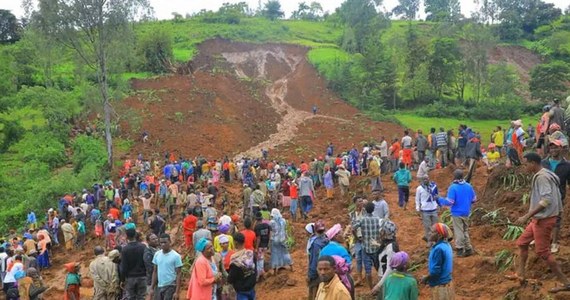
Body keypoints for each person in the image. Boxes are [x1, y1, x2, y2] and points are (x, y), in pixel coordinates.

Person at [508, 152, 570, 293]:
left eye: (526, 164)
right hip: (540, 218)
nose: (524, 167)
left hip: (544, 219)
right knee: (522, 243)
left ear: (533, 163)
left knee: (543, 252)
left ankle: (566, 282)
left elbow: (546, 200)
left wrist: (526, 216)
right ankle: (520, 274)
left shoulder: (542, 177)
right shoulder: (546, 173)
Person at [438, 169, 476, 257]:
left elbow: (450, 202)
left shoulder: (453, 187)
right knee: (465, 230)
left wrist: (439, 199)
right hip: (466, 211)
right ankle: (468, 248)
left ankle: (459, 249)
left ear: (454, 177)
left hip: (457, 212)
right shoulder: (468, 186)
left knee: (459, 231)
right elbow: (474, 199)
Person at [541, 139, 570, 254]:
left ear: (561, 148)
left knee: (556, 219)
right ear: (549, 149)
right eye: (552, 147)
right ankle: (542, 239)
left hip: (559, 196)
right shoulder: (543, 163)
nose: (553, 150)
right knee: (542, 217)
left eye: (556, 147)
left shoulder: (567, 165)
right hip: (544, 195)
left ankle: (554, 242)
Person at [420, 223, 454, 300]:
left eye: (432, 232)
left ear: (439, 235)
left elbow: (435, 271)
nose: (429, 233)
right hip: (447, 282)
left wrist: (426, 278)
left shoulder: (438, 249)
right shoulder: (446, 245)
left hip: (440, 284)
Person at [353, 202, 382, 290]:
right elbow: (382, 230)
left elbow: (353, 228)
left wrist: (357, 237)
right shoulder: (377, 219)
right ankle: (381, 284)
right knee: (379, 267)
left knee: (368, 270)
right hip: (376, 247)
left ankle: (371, 288)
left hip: (366, 247)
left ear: (365, 209)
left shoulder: (362, 219)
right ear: (373, 210)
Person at [150, 234, 183, 300]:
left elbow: (179, 274)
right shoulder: (157, 254)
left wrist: (177, 292)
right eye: (161, 242)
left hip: (171, 286)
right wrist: (152, 288)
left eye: (165, 242)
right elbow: (155, 271)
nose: (163, 244)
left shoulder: (176, 256)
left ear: (170, 242)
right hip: (159, 286)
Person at [227, 233, 257, 300]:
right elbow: (255, 270)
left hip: (241, 290)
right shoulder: (251, 253)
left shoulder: (235, 260)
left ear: (236, 243)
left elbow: (231, 278)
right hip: (252, 286)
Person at [120, 228, 147, 300]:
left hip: (130, 278)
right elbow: (146, 262)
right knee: (141, 297)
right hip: (142, 276)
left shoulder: (125, 249)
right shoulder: (143, 247)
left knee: (131, 297)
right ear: (135, 235)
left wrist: (122, 280)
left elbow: (124, 266)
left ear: (126, 236)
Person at [415, 176, 440, 247]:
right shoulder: (419, 189)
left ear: (429, 179)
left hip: (434, 209)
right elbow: (417, 199)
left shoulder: (434, 186)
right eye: (424, 179)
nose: (426, 180)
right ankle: (429, 241)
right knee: (427, 227)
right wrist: (417, 208)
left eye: (427, 178)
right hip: (425, 210)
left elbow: (437, 195)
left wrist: (439, 204)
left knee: (436, 226)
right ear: (422, 180)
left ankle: (436, 241)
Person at [307, 220, 329, 300]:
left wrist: (310, 274)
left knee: (313, 291)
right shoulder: (327, 240)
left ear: (315, 231)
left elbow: (314, 260)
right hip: (328, 269)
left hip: (317, 270)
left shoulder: (315, 243)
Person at [269, 209, 293, 275]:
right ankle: (291, 266)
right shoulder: (284, 221)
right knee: (285, 253)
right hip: (283, 239)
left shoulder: (271, 222)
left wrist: (269, 240)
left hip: (275, 239)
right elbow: (285, 230)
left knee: (274, 254)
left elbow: (271, 231)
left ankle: (274, 271)